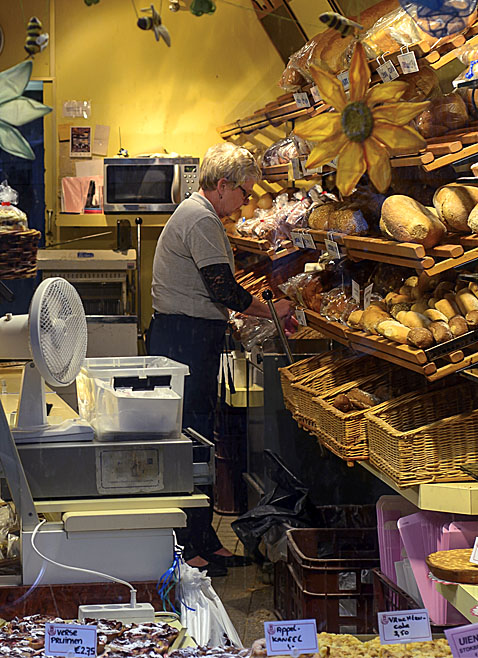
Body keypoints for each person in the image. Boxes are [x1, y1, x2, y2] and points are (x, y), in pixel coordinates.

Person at [147, 143, 293, 576]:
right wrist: (274, 312)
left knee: (198, 437)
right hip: (185, 338)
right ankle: (188, 544)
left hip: (185, 334)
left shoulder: (198, 213)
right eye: (245, 192)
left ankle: (205, 538)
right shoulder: (201, 219)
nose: (246, 201)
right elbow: (224, 291)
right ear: (223, 184)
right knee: (190, 439)